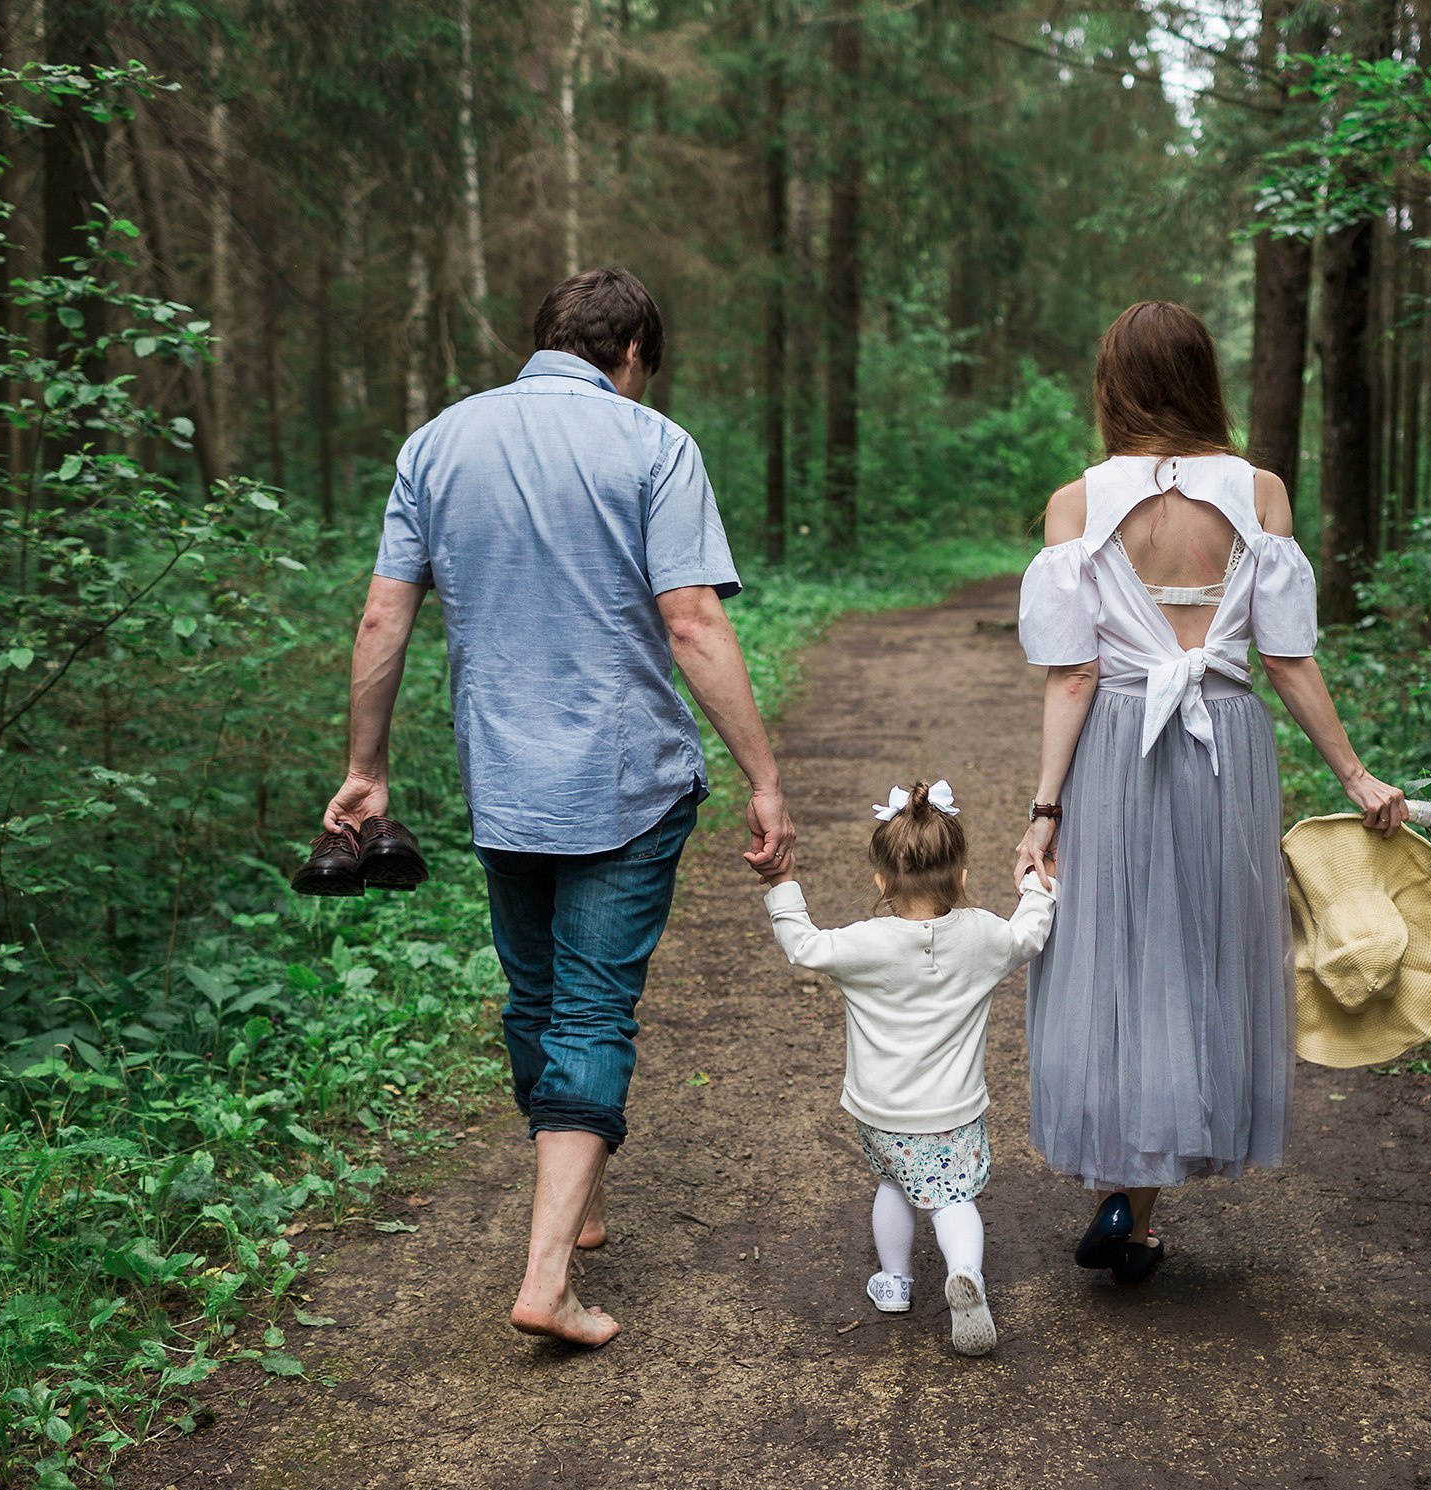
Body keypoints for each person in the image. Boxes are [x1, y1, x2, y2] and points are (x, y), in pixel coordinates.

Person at [321, 266, 795, 1348]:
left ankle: (569, 1203)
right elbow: (694, 626)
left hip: (504, 781)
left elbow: (382, 621)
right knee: (590, 1012)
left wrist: (367, 766)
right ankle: (547, 1282)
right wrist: (764, 776)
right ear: (631, 357)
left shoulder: (437, 444)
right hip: (624, 783)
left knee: (536, 998)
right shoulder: (654, 445)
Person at [1011, 300, 1405, 1284]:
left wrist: (1045, 808)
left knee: (1119, 948)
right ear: (1202, 379)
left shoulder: (1077, 503)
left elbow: (1073, 676)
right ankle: (1139, 1210)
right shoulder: (1258, 492)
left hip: (1115, 747)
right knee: (1198, 954)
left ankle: (1126, 1185)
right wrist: (1353, 775)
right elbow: (1286, 654)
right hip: (1226, 748)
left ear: (1114, 384)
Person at [762, 780, 1056, 1356]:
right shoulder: (983, 936)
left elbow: (802, 945)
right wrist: (1037, 885)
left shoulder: (864, 943)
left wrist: (781, 884)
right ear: (962, 878)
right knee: (952, 1198)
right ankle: (964, 1272)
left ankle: (895, 1283)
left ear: (881, 881)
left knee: (895, 1184)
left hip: (880, 1109)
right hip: (953, 1109)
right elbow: (1029, 936)